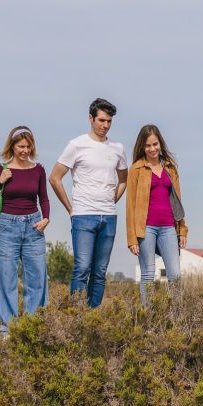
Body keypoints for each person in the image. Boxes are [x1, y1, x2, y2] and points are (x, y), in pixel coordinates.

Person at [49, 98, 128, 307]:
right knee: (82, 267)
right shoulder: (76, 145)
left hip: (109, 217)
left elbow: (123, 180)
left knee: (100, 271)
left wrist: (112, 200)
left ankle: (92, 319)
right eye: (101, 120)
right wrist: (70, 209)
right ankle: (76, 319)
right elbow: (55, 177)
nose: (105, 125)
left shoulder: (118, 148)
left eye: (109, 121)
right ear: (91, 118)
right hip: (83, 215)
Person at [0, 125, 50, 335]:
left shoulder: (38, 169)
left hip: (33, 227)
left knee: (37, 279)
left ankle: (34, 328)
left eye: (28, 146)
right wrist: (0, 181)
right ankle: (5, 330)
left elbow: (44, 198)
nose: (25, 150)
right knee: (6, 280)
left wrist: (46, 218)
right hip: (7, 227)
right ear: (12, 146)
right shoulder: (0, 169)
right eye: (21, 146)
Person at [126, 124, 188, 304]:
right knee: (148, 274)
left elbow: (178, 201)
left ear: (160, 143)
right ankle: (148, 319)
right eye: (147, 146)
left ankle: (177, 318)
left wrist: (182, 230)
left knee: (175, 275)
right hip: (146, 228)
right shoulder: (136, 169)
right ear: (142, 147)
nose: (152, 149)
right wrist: (132, 238)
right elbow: (130, 205)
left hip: (169, 227)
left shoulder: (170, 168)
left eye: (155, 144)